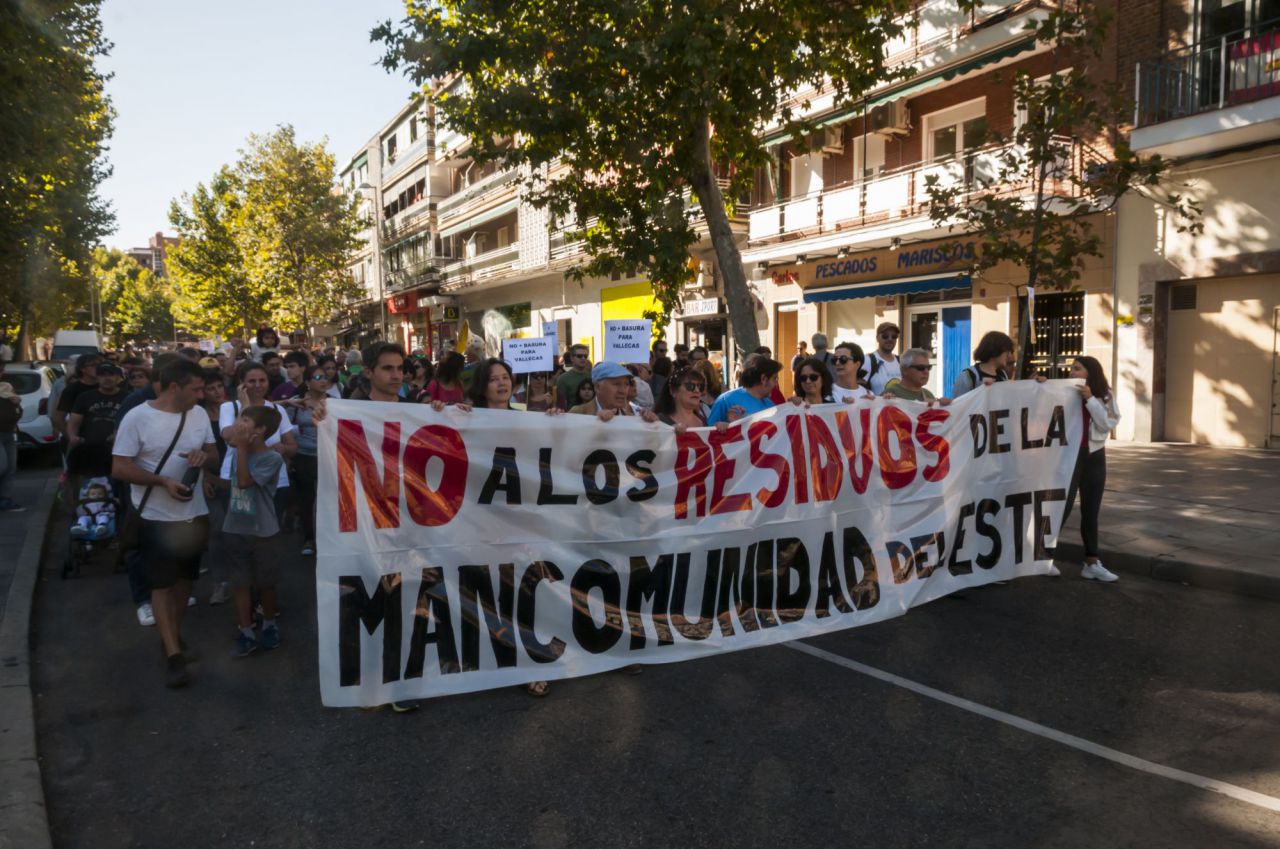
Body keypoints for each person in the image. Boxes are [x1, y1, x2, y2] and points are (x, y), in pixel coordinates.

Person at [112, 358, 216, 688]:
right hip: (155, 517)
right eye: (196, 389)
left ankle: (171, 635)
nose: (202, 395)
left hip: (194, 514)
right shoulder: (138, 417)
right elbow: (119, 467)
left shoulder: (198, 415)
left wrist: (204, 458)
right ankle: (173, 655)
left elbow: (214, 453)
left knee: (186, 582)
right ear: (175, 387)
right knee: (161, 585)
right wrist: (161, 481)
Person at [222, 405, 287, 657]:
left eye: (245, 419)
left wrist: (240, 447)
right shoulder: (237, 448)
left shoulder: (272, 458)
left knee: (265, 583)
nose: (239, 423)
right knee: (239, 583)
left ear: (259, 430)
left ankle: (269, 624)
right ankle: (246, 630)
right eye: (240, 417)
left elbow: (244, 482)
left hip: (263, 532)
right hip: (234, 528)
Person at [1060, 356, 1122, 583]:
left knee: (1091, 510)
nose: (1072, 373)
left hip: (1094, 456)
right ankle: (1041, 555)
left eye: (1077, 369)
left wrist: (1090, 400)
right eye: (1071, 369)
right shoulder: (1064, 392)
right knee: (1062, 507)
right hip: (1070, 456)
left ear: (1090, 372)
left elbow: (1107, 423)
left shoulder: (1104, 394)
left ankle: (1092, 562)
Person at [282, 365, 331, 556]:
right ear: (308, 382)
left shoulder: (335, 402)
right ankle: (309, 538)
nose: (323, 380)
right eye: (317, 377)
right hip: (304, 456)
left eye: (325, 376)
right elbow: (285, 428)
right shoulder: (296, 403)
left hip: (328, 456)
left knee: (327, 500)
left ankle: (327, 538)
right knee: (307, 499)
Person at [66, 362, 126, 479]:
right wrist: (73, 437)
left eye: (111, 375)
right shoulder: (85, 397)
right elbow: (73, 422)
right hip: (88, 450)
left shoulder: (127, 397)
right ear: (97, 378)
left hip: (116, 451)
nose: (107, 378)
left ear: (118, 377)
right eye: (102, 375)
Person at [569, 362, 659, 422]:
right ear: (597, 387)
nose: (623, 391)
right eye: (616, 384)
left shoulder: (634, 418)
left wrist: (654, 426)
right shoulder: (577, 414)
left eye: (627, 384)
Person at [707, 358, 781, 425]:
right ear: (763, 379)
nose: (776, 383)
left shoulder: (771, 405)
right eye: (774, 378)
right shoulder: (725, 400)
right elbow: (708, 434)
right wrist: (729, 426)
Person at [952, 331, 1015, 397]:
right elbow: (958, 403)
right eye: (1007, 352)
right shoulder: (968, 377)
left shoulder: (1002, 375)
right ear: (995, 350)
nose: (1009, 356)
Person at [0, 359, 24, 512]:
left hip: (9, 432)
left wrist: (15, 403)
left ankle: (5, 499)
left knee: (10, 467)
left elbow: (17, 412)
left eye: (1, 370)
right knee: (2, 466)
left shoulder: (6, 388)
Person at [865, 322, 902, 395]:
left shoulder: (901, 361)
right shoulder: (868, 360)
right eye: (885, 336)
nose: (890, 339)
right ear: (877, 338)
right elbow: (860, 387)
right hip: (876, 406)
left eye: (894, 336)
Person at [555, 344, 592, 410]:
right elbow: (560, 405)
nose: (583, 358)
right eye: (579, 356)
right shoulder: (563, 379)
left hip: (592, 417)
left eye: (585, 356)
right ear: (572, 358)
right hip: (572, 417)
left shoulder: (593, 377)